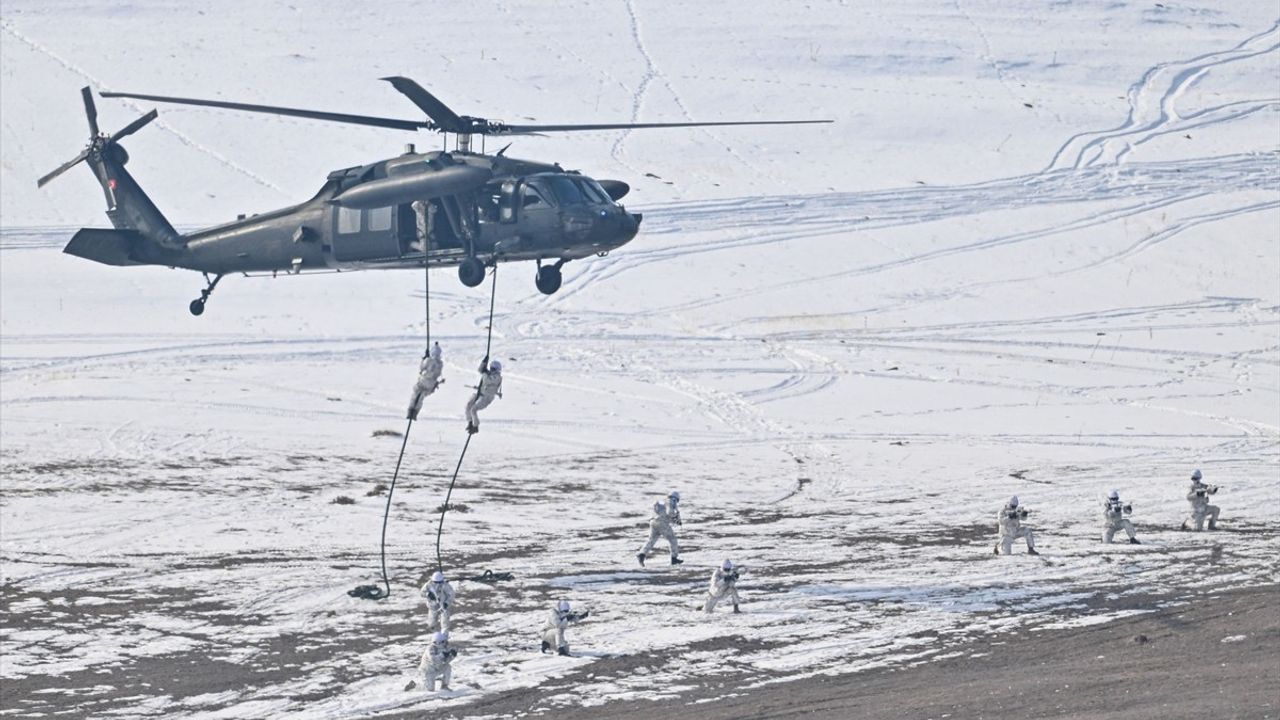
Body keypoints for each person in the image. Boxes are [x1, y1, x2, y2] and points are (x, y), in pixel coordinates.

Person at [636, 494, 682, 566]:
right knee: (673, 539)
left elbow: (662, 513)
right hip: (662, 523)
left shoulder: (662, 502)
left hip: (653, 522)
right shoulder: (671, 501)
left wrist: (673, 519)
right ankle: (674, 558)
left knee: (651, 540)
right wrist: (675, 518)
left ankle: (642, 554)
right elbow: (670, 513)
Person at [465, 356, 503, 434]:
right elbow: (480, 371)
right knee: (468, 406)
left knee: (473, 410)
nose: (491, 370)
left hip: (487, 397)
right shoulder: (489, 374)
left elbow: (487, 381)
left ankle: (475, 426)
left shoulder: (497, 377)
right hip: (480, 393)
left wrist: (485, 372)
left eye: (493, 369)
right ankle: (470, 422)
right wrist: (483, 363)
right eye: (491, 368)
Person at [407, 342, 444, 421]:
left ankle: (410, 411)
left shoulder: (429, 360)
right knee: (420, 398)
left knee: (415, 396)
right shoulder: (440, 364)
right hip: (430, 384)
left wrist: (424, 359)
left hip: (422, 381)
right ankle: (415, 413)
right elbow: (438, 374)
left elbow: (421, 369)